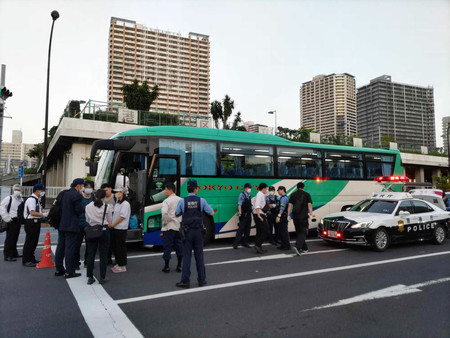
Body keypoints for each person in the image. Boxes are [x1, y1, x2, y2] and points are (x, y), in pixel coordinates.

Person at [175, 180, 214, 288]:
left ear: (187, 189)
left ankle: (185, 281)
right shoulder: (201, 201)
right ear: (196, 189)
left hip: (187, 232)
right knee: (199, 256)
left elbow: (177, 213)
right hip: (198, 232)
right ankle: (202, 280)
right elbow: (211, 212)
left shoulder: (183, 201)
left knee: (187, 256)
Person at [55, 178, 84, 278]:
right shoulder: (77, 195)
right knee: (70, 249)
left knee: (60, 247)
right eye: (82, 185)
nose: (82, 187)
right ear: (78, 185)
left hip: (62, 224)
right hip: (71, 225)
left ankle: (59, 268)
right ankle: (70, 271)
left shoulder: (65, 193)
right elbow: (79, 210)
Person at [85, 189, 113, 285]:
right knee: (103, 254)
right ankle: (102, 277)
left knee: (90, 254)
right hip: (104, 231)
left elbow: (87, 220)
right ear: (104, 197)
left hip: (92, 230)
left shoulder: (88, 206)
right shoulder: (107, 206)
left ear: (95, 195)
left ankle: (90, 277)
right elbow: (110, 220)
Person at [22, 184, 47, 267]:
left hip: (35, 222)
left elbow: (39, 210)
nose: (43, 192)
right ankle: (26, 260)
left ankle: (31, 258)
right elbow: (32, 212)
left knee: (34, 241)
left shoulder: (36, 199)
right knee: (30, 241)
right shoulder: (32, 200)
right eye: (42, 190)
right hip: (31, 222)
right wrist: (43, 215)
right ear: (37, 190)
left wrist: (45, 212)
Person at [161, 183, 183, 273]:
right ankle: (179, 266)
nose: (165, 191)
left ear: (170, 190)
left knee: (167, 247)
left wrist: (166, 221)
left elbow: (164, 213)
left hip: (169, 228)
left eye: (166, 189)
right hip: (178, 227)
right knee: (179, 246)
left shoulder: (166, 201)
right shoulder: (181, 200)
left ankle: (166, 267)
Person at [288, 182, 314, 256]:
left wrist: (288, 215)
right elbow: (309, 205)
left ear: (297, 187)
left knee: (299, 232)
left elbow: (289, 205)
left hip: (295, 216)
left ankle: (305, 248)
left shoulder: (293, 194)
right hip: (303, 216)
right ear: (303, 187)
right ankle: (297, 246)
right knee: (303, 232)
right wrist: (311, 214)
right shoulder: (307, 194)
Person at [109, 186, 131, 273]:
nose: (117, 194)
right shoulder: (118, 203)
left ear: (123, 193)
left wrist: (113, 224)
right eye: (116, 192)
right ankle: (118, 263)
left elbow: (122, 217)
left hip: (121, 228)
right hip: (115, 228)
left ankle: (122, 266)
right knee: (116, 247)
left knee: (120, 247)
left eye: (119, 192)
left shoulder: (125, 204)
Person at [1, 184, 24, 262]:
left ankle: (14, 253)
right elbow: (2, 207)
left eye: (19, 190)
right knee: (10, 238)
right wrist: (7, 218)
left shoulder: (21, 199)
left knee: (15, 237)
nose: (18, 191)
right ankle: (7, 255)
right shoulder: (9, 198)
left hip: (18, 220)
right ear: (13, 190)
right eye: (16, 190)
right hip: (11, 220)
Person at [76, 180, 94, 269]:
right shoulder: (79, 197)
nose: (88, 189)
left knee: (90, 245)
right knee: (77, 244)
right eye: (86, 187)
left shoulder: (94, 197)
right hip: (79, 224)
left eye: (90, 187)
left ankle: (88, 262)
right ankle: (76, 262)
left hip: (90, 225)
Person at [233, 183, 252, 249]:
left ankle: (245, 242)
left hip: (249, 214)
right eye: (249, 188)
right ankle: (236, 243)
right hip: (244, 214)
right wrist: (240, 213)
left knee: (248, 229)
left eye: (250, 188)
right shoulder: (242, 195)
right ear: (245, 188)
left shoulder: (249, 195)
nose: (250, 189)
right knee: (241, 229)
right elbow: (239, 205)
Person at [252, 183, 270, 254]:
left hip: (259, 214)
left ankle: (258, 247)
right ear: (264, 188)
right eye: (266, 188)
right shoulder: (260, 195)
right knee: (266, 231)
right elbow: (257, 205)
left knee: (259, 231)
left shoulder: (261, 194)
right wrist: (259, 215)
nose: (267, 190)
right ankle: (258, 245)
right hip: (259, 215)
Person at [101, 183, 116, 265]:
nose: (105, 192)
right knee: (106, 243)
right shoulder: (101, 199)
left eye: (106, 190)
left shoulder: (115, 197)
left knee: (113, 242)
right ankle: (108, 259)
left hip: (113, 223)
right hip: (104, 223)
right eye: (103, 191)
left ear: (110, 189)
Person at [275, 186, 290, 250]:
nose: (278, 191)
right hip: (283, 216)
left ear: (282, 190)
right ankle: (283, 244)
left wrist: (279, 215)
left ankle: (286, 245)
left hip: (283, 216)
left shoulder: (283, 198)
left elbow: (282, 208)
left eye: (279, 190)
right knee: (282, 231)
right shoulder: (282, 197)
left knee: (283, 231)